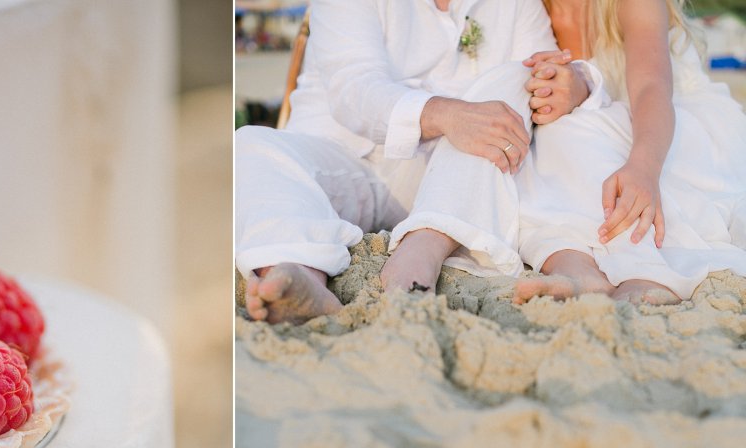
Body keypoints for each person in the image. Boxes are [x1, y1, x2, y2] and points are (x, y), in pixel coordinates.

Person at [236, 0, 591, 324]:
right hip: (343, 161)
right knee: (251, 143)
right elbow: (354, 87)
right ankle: (300, 277)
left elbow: (540, 75)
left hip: (454, 177)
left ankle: (425, 247)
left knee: (516, 78)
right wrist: (447, 114)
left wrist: (572, 84)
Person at [513, 0, 746, 304]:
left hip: (666, 126)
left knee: (573, 136)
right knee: (550, 140)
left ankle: (647, 273)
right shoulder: (521, 9)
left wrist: (644, 167)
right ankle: (578, 267)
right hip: (599, 133)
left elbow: (651, 88)